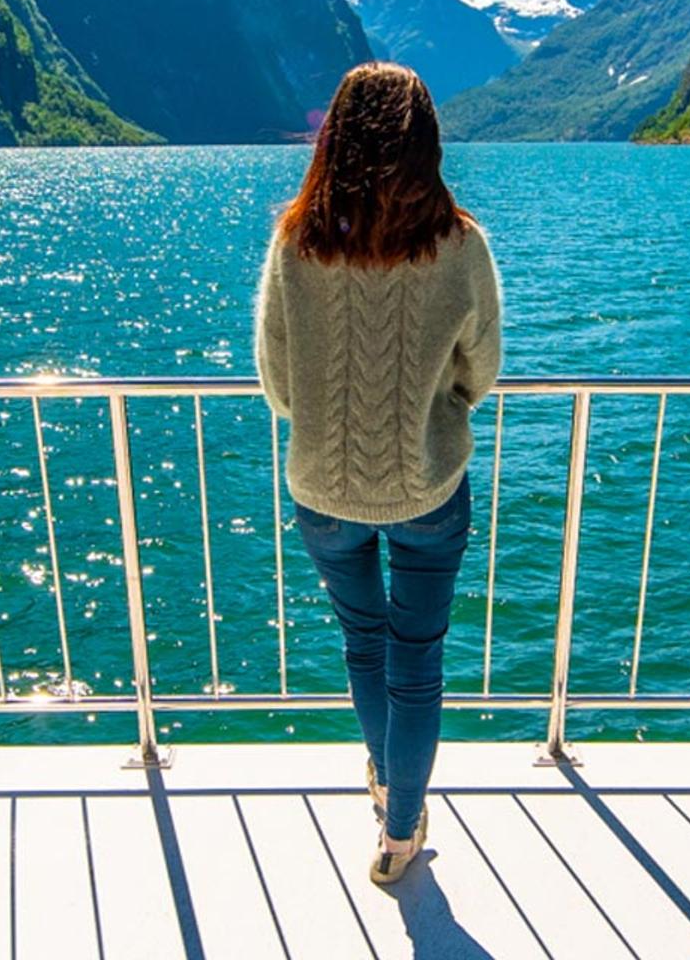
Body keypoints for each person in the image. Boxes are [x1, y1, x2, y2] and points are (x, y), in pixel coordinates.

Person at [255, 61, 503, 888]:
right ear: (426, 142)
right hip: (428, 484)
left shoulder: (297, 240)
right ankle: (402, 829)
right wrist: (438, 410)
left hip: (323, 484)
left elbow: (277, 382)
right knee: (417, 658)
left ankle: (381, 773)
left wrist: (331, 422)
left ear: (335, 139)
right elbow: (483, 369)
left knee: (364, 643)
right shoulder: (462, 245)